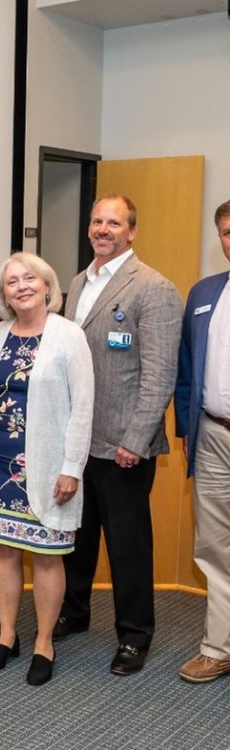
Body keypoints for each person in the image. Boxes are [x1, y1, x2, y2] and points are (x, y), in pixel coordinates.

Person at [57, 193, 182, 676]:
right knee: (78, 535)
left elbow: (158, 373)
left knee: (128, 544)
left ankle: (134, 635)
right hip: (79, 439)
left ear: (131, 231)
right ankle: (74, 610)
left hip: (124, 443)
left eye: (114, 222)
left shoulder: (154, 288)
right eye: (96, 221)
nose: (102, 229)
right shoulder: (75, 282)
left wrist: (136, 437)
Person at [0, 253, 94, 685]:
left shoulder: (69, 335)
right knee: (3, 551)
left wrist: (72, 467)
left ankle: (43, 642)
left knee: (46, 555)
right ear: (3, 294)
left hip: (46, 466)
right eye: (11, 282)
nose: (20, 286)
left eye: (29, 279)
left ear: (46, 285)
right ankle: (6, 636)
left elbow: (83, 408)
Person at [174, 199, 230, 683]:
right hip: (211, 434)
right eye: (228, 231)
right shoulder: (204, 293)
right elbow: (186, 368)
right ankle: (218, 647)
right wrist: (188, 432)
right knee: (213, 547)